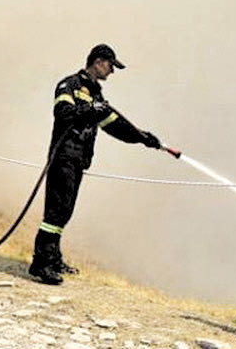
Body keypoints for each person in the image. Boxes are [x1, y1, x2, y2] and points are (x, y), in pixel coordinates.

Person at [28, 44, 162, 285]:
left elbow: (116, 127)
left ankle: (54, 258)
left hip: (78, 160)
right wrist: (90, 109)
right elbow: (63, 113)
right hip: (63, 157)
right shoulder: (69, 84)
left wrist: (142, 138)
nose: (112, 71)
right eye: (111, 65)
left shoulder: (96, 94)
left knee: (65, 211)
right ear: (98, 61)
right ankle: (41, 263)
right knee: (56, 212)